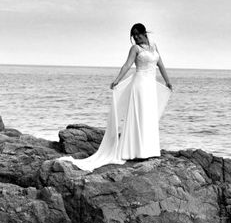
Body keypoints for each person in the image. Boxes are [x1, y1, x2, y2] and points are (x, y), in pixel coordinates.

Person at [65, 23, 173, 171]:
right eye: (133, 35)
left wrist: (167, 81)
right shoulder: (135, 49)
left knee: (148, 116)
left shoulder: (154, 45)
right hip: (140, 84)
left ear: (144, 33)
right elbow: (127, 66)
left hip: (150, 86)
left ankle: (149, 150)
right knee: (139, 115)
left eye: (138, 34)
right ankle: (135, 151)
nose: (136, 37)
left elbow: (160, 64)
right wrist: (117, 80)